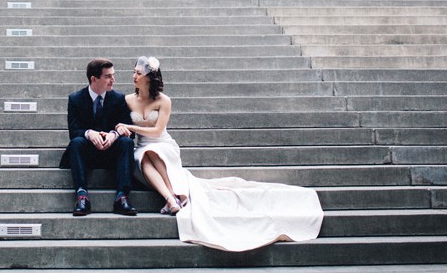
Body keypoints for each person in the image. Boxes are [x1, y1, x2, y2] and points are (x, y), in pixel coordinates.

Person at [114, 56, 324, 252]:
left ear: (149, 77)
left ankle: (171, 198)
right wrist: (121, 129)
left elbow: (158, 131)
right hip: (142, 148)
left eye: (138, 73)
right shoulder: (127, 100)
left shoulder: (164, 100)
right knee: (145, 155)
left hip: (163, 145)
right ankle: (171, 198)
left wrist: (131, 128)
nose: (134, 77)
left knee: (153, 152)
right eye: (134, 72)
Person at [60, 57, 138, 216]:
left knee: (126, 142)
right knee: (76, 142)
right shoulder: (75, 99)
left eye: (113, 75)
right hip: (88, 153)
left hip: (112, 153)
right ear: (93, 79)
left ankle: (122, 197)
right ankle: (82, 196)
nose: (113, 80)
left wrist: (114, 134)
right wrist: (89, 133)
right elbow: (73, 130)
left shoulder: (118, 98)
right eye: (108, 76)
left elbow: (131, 131)